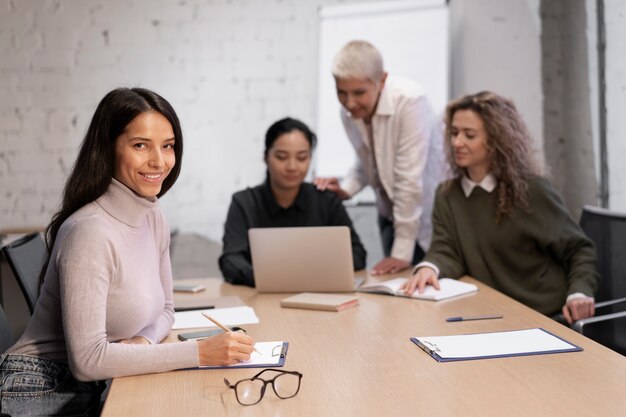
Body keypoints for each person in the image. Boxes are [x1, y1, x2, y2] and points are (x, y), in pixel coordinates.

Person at [0, 88, 254, 416]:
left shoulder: (153, 216)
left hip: (91, 383)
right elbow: (89, 361)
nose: (158, 161)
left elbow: (166, 310)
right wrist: (201, 353)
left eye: (168, 146)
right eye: (140, 145)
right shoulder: (89, 231)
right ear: (108, 148)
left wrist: (143, 342)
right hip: (37, 388)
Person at [402, 91, 599, 324]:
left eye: (469, 135)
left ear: (496, 140)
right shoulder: (448, 194)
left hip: (545, 316)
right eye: (454, 133)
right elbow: (446, 249)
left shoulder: (531, 190)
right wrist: (430, 268)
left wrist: (579, 292)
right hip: (490, 314)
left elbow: (579, 249)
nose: (457, 142)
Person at [314, 40, 447, 276]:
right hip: (390, 212)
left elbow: (409, 179)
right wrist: (347, 189)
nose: (349, 103)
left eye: (359, 93)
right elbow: (368, 160)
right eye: (341, 93)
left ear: (382, 80)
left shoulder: (410, 100)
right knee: (396, 291)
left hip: (427, 215)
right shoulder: (350, 112)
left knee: (424, 290)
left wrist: (401, 252)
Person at [219, 117, 367, 287]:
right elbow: (231, 259)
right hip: (259, 294)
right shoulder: (244, 202)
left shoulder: (326, 200)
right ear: (266, 157)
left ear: (310, 158)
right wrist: (263, 277)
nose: (292, 167)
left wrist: (305, 271)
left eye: (302, 158)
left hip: (317, 294)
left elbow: (357, 254)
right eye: (282, 157)